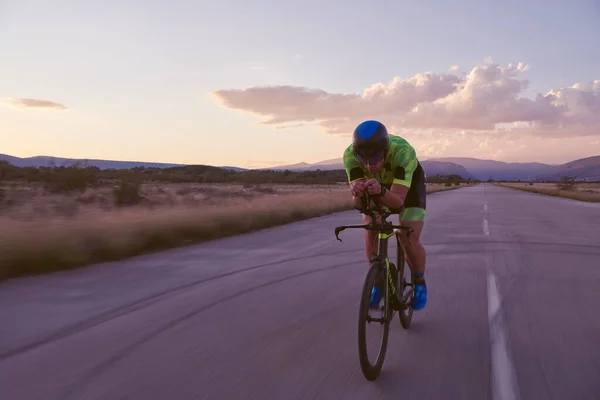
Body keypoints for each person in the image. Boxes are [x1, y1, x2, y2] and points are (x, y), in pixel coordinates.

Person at [342, 120, 428, 311]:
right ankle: (378, 282)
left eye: (374, 159)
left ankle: (419, 281)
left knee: (408, 236)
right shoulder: (350, 155)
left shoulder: (403, 152)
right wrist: (356, 192)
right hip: (378, 187)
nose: (368, 165)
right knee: (370, 222)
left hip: (408, 188)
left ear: (385, 151)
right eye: (363, 160)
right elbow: (360, 206)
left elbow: (398, 202)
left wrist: (380, 192)